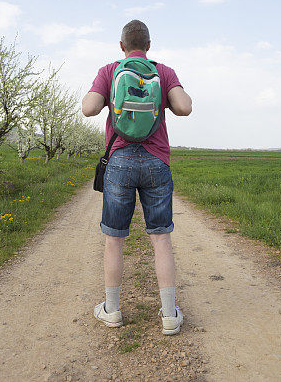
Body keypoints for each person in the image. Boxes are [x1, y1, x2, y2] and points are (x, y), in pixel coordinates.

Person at [81, 19, 193, 335]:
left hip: (119, 161)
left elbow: (88, 108)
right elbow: (184, 107)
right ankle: (170, 315)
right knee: (160, 238)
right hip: (157, 161)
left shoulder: (110, 70)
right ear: (148, 45)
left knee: (114, 239)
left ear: (122, 46)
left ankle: (112, 310)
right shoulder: (163, 71)